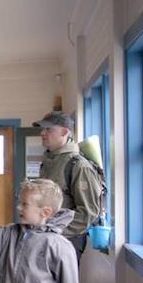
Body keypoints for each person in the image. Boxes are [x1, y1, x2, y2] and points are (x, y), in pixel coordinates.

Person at [33, 111, 102, 263]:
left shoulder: (78, 165)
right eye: (42, 129)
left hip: (66, 240)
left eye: (49, 129)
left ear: (65, 131)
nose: (43, 133)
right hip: (47, 236)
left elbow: (88, 213)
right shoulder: (49, 161)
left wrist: (55, 230)